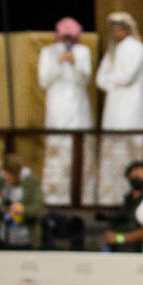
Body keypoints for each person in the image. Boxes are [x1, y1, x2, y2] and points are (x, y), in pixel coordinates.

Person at [37, 16, 94, 206]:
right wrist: (59, 63)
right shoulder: (48, 52)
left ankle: (81, 197)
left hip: (78, 109)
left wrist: (75, 63)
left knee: (79, 151)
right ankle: (55, 198)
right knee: (58, 150)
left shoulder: (83, 52)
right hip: (57, 110)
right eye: (65, 37)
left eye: (71, 37)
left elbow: (86, 79)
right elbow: (43, 81)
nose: (68, 41)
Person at [95, 11, 143, 205]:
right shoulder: (113, 51)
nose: (116, 33)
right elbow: (100, 80)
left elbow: (126, 77)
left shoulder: (138, 48)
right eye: (114, 29)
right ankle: (110, 199)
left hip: (131, 110)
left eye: (119, 28)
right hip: (113, 110)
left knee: (131, 152)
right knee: (112, 156)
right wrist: (112, 81)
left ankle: (132, 197)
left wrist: (112, 80)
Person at [0, 152, 44, 249]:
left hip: (27, 240)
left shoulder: (31, 182)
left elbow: (38, 209)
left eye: (14, 176)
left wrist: (21, 210)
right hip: (2, 240)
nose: (11, 179)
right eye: (8, 176)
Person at [101, 161, 143, 251]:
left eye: (140, 177)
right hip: (122, 249)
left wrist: (120, 238)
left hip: (139, 250)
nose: (136, 180)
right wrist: (115, 237)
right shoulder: (128, 199)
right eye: (133, 177)